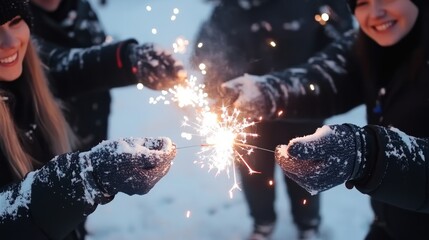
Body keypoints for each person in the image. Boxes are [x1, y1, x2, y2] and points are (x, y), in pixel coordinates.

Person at [222, 0, 429, 239]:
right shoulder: (365, 44)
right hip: (388, 225)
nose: (376, 12)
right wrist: (268, 93)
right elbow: (324, 78)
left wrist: (370, 156)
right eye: (362, 2)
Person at [0, 1, 176, 239]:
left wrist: (131, 60)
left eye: (15, 22)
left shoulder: (32, 58)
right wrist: (87, 177)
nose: (11, 43)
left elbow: (69, 65)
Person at [191, 0, 354, 239]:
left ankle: (308, 224)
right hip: (246, 116)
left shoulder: (312, 4)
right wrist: (218, 95)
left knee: (305, 170)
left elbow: (343, 45)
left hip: (303, 110)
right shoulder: (228, 10)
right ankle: (263, 223)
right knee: (254, 174)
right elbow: (204, 56)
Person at [29, 0, 185, 152]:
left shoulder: (81, 8)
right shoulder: (16, 24)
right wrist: (126, 59)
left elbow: (97, 47)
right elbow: (62, 65)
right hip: (53, 146)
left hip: (95, 130)